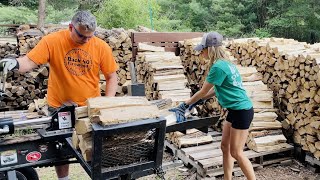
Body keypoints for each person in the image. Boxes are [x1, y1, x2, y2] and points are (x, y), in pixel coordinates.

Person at [0, 11, 118, 180]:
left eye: (90, 37)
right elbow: (29, 61)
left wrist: (108, 103)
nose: (86, 40)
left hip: (89, 108)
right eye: (82, 36)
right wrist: (14, 63)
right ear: (71, 27)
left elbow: (112, 76)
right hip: (59, 107)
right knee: (60, 147)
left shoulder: (100, 46)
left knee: (93, 147)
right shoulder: (53, 41)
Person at [169, 32, 256, 180]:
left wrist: (186, 104)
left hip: (242, 111)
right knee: (225, 147)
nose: (200, 52)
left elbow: (203, 91)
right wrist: (200, 100)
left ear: (210, 49)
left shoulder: (218, 67)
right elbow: (216, 89)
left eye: (202, 49)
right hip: (235, 110)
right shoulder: (226, 64)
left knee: (236, 152)